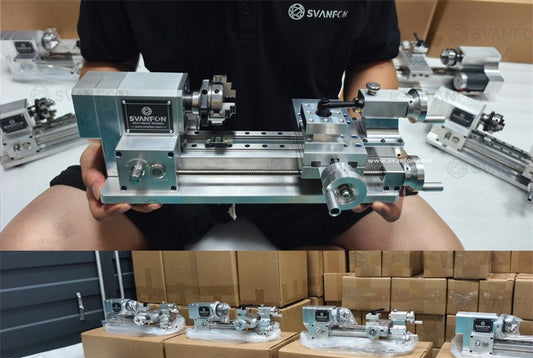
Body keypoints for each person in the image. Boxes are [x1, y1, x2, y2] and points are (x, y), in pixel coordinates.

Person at [0, 0, 462, 250]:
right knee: (25, 248)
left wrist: (371, 145)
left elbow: (372, 59)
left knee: (439, 257)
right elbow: (106, 60)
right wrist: (110, 135)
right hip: (169, 167)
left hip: (317, 165)